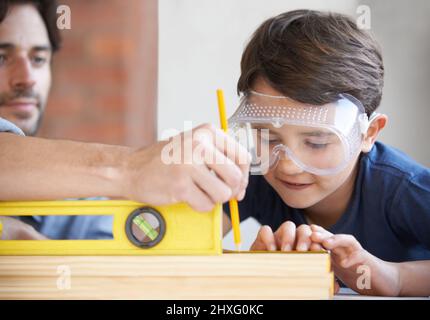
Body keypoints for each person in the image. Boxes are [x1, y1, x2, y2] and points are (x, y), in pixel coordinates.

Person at [0, 0, 250, 239]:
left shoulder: (73, 208)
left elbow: (129, 259)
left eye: (38, 59)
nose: (27, 77)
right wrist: (133, 167)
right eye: (1, 58)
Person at [223, 9, 430, 296]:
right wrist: (253, 270)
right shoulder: (252, 178)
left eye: (317, 142)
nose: (287, 166)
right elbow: (175, 248)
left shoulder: (403, 188)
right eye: (267, 137)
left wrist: (395, 278)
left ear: (368, 133)